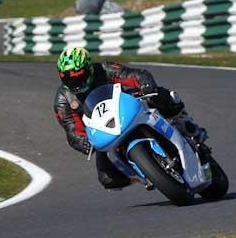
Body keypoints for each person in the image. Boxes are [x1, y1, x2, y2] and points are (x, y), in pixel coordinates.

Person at [53, 46, 209, 190]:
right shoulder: (63, 100)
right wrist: (83, 142)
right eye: (69, 79)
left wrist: (146, 85)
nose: (76, 83)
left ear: (89, 69)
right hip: (104, 129)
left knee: (160, 96)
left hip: (128, 107)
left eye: (79, 77)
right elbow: (72, 129)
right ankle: (144, 176)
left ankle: (187, 125)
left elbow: (134, 75)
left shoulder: (104, 69)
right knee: (107, 179)